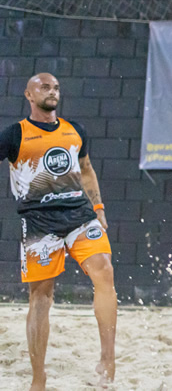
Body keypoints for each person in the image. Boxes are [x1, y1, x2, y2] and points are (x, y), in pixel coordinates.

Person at [0, 73, 117, 390]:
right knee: (41, 296)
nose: (52, 92)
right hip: (39, 222)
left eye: (55, 88)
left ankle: (108, 358)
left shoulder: (75, 130)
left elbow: (87, 169)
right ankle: (38, 377)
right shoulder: (15, 135)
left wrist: (99, 208)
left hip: (80, 216)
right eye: (44, 87)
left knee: (105, 271)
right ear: (28, 94)